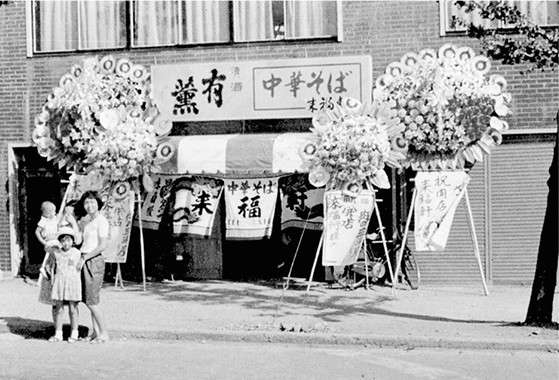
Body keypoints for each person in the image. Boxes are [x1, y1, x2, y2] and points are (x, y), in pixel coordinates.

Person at [77, 191, 109, 343]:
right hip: (85, 259)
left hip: (93, 260)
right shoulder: (88, 221)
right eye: (86, 203)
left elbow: (102, 245)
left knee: (92, 301)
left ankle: (104, 333)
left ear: (98, 203)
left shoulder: (102, 221)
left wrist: (85, 257)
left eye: (92, 202)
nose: (89, 205)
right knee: (89, 299)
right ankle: (96, 333)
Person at [48, 227, 82, 343]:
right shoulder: (56, 253)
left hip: (73, 282)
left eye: (68, 240)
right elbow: (48, 248)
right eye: (63, 240)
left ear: (73, 241)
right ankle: (58, 333)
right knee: (59, 308)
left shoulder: (77, 253)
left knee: (73, 308)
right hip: (60, 281)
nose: (65, 243)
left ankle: (75, 333)